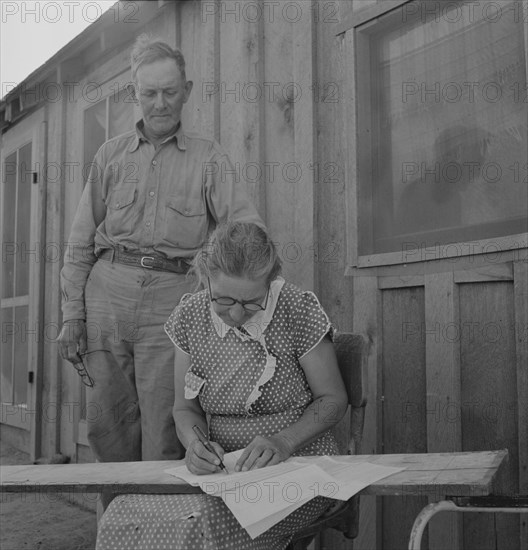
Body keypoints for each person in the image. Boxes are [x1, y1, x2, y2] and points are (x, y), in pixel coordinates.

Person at [57, 35, 262, 465]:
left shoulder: (210, 159)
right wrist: (72, 315)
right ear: (135, 94)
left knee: (167, 432)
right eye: (149, 93)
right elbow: (79, 241)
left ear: (186, 91)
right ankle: (114, 531)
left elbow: (247, 235)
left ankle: (162, 532)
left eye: (170, 91)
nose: (160, 103)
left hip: (172, 307)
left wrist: (231, 300)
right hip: (105, 301)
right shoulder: (110, 156)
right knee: (107, 430)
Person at [96, 221, 348, 550]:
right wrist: (194, 445)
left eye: (252, 302)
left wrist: (284, 442)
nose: (238, 314)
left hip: (300, 467)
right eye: (224, 300)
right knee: (123, 514)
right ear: (206, 279)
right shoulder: (190, 315)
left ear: (271, 282)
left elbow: (333, 400)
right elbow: (185, 408)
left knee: (198, 526)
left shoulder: (297, 309)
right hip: (223, 476)